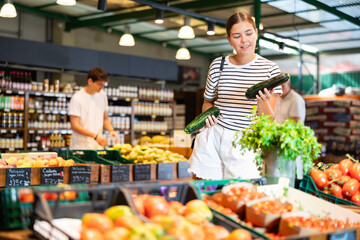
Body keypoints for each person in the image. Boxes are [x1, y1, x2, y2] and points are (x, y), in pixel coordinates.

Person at [188, 12, 283, 180]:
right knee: (205, 193)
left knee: (238, 195)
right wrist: (208, 116)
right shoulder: (219, 65)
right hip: (213, 139)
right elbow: (208, 101)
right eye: (237, 36)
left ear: (256, 33)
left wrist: (262, 102)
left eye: (248, 33)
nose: (244, 41)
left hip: (246, 143)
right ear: (229, 39)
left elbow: (268, 121)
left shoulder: (270, 70)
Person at [68, 67, 118, 150]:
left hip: (98, 146)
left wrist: (111, 130)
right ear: (90, 81)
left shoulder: (102, 95)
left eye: (103, 85)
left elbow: (105, 118)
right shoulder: (77, 98)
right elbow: (75, 125)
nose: (102, 87)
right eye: (99, 84)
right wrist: (95, 136)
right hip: (81, 147)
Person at [274, 79, 306, 180]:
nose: (279, 89)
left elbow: (295, 124)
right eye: (277, 87)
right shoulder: (278, 98)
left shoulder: (295, 99)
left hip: (291, 144)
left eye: (282, 86)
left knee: (289, 177)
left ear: (288, 84)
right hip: (279, 144)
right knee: (280, 176)